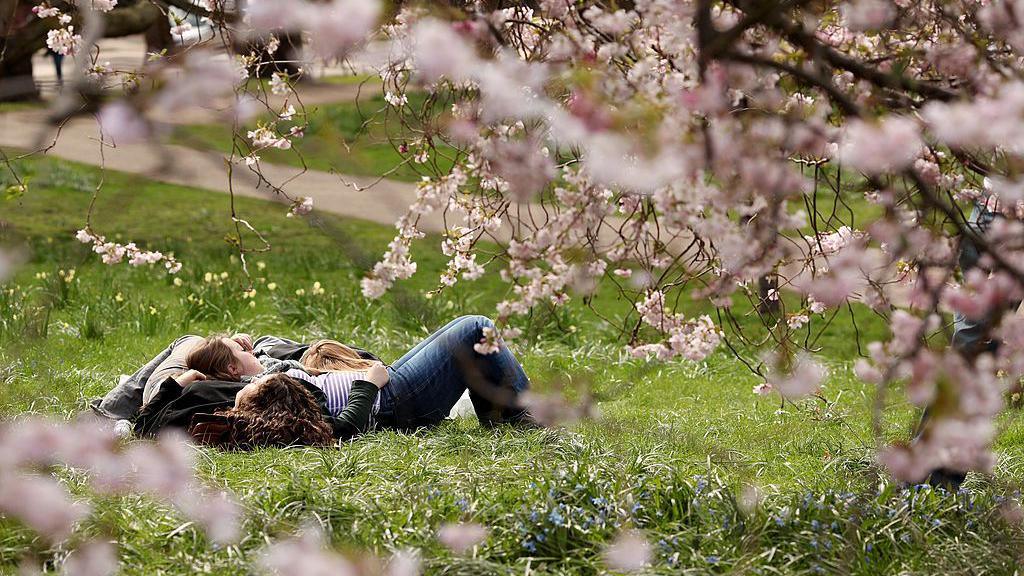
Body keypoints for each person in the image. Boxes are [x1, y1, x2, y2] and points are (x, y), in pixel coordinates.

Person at [179, 315, 535, 447]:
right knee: (475, 328)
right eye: (238, 352)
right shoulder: (271, 392)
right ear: (230, 371)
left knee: (462, 329)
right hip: (394, 400)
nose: (247, 348)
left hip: (387, 382)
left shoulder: (268, 371)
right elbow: (339, 429)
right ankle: (522, 418)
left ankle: (503, 417)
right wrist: (368, 384)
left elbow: (262, 357)